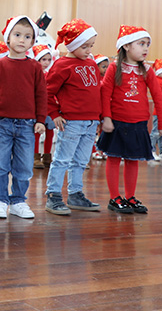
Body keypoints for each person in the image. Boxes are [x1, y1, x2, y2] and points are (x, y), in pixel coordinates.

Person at [100, 25, 162, 214]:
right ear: (126, 46)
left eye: (147, 44)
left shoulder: (147, 70)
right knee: (114, 158)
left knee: (133, 160)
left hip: (138, 124)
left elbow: (158, 98)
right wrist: (106, 118)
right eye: (141, 44)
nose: (146, 48)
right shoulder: (114, 67)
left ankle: (130, 196)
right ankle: (115, 198)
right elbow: (105, 94)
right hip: (117, 122)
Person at [0, 16, 46, 219]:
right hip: (1, 123)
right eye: (17, 35)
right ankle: (0, 200)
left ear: (32, 41)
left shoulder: (35, 67)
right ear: (7, 38)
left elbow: (41, 95)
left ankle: (18, 200)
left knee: (24, 166)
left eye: (27, 36)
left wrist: (40, 119)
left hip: (27, 125)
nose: (22, 40)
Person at [44, 19, 101, 215]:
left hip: (91, 122)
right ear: (73, 44)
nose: (88, 50)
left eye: (91, 46)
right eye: (84, 46)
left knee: (81, 161)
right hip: (72, 122)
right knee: (62, 160)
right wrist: (54, 114)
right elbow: (47, 91)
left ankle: (75, 194)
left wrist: (98, 118)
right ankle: (53, 195)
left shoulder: (92, 64)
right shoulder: (62, 65)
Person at [33, 44, 55, 169]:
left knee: (50, 132)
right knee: (37, 133)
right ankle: (35, 156)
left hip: (49, 108)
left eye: (49, 60)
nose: (46, 63)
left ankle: (47, 156)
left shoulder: (49, 75)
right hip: (37, 108)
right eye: (43, 59)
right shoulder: (34, 74)